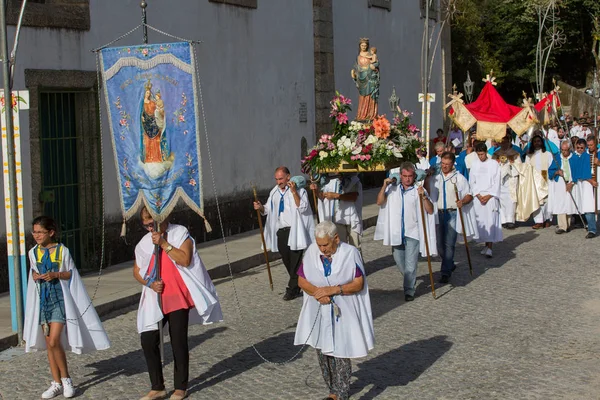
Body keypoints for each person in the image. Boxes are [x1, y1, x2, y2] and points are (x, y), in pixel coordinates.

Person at [133, 207, 223, 400]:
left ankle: (180, 386)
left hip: (176, 295)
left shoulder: (179, 232)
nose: (149, 227)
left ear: (162, 218)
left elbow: (185, 259)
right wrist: (149, 282)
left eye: (152, 223)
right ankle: (157, 386)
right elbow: (137, 269)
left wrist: (164, 244)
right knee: (148, 340)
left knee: (178, 341)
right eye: (145, 224)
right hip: (154, 297)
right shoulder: (143, 242)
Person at [24, 216, 110, 399]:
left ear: (51, 233)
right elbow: (32, 271)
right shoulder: (33, 252)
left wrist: (55, 274)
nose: (36, 235)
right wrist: (35, 276)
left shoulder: (62, 251)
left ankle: (66, 379)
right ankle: (55, 383)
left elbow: (70, 273)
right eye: (34, 232)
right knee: (49, 343)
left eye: (40, 232)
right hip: (42, 301)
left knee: (55, 340)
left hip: (59, 299)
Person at [294, 221, 374, 400]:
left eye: (325, 244)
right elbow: (302, 281)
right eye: (319, 244)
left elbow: (358, 283)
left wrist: (334, 290)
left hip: (343, 310)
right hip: (319, 309)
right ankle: (332, 390)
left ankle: (341, 394)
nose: (321, 248)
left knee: (341, 351)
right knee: (323, 351)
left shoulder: (350, 253)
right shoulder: (311, 252)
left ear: (336, 239)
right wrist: (318, 293)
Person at [374, 162, 436, 301]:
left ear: (414, 176)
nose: (408, 179)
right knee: (399, 262)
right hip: (397, 233)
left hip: (413, 232)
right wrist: (384, 185)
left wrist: (424, 197)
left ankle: (409, 291)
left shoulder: (418, 190)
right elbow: (379, 202)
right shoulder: (392, 189)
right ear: (400, 175)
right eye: (405, 176)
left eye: (410, 176)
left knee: (410, 264)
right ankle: (410, 279)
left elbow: (430, 210)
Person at [254, 166, 315, 300]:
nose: (278, 182)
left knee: (295, 261)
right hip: (281, 231)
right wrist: (260, 208)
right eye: (276, 179)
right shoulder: (274, 192)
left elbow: (302, 207)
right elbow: (268, 210)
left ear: (288, 177)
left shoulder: (300, 191)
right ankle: (302, 282)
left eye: (281, 179)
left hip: (295, 230)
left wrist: (294, 192)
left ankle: (292, 289)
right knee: (287, 261)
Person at [426, 152, 477, 283]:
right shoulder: (435, 177)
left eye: (447, 164)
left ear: (452, 164)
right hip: (438, 213)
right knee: (439, 245)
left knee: (449, 244)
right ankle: (449, 263)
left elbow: (469, 194)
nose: (444, 166)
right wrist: (427, 177)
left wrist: (463, 201)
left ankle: (445, 272)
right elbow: (427, 190)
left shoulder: (459, 178)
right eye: (443, 163)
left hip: (452, 213)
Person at [311, 173, 363, 249]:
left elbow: (353, 197)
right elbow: (322, 196)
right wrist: (315, 190)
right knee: (341, 246)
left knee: (355, 246)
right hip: (337, 217)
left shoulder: (353, 179)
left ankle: (356, 260)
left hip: (353, 217)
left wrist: (335, 195)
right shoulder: (328, 180)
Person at [469, 143, 502, 257]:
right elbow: (472, 181)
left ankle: (490, 246)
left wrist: (489, 195)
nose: (480, 157)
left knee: (490, 221)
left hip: (490, 196)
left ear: (486, 152)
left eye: (482, 154)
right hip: (479, 197)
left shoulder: (494, 164)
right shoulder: (474, 164)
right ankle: (485, 244)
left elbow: (497, 181)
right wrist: (477, 195)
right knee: (481, 222)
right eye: (478, 155)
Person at [492, 133, 522, 229]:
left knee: (511, 199)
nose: (504, 144)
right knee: (501, 198)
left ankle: (510, 220)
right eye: (502, 142)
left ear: (509, 142)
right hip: (500, 179)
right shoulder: (496, 154)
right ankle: (503, 219)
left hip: (510, 179)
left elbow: (519, 166)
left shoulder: (515, 153)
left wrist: (512, 163)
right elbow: (492, 166)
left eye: (505, 142)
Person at [525, 133, 554, 229]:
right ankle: (538, 221)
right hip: (534, 180)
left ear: (542, 142)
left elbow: (551, 167)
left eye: (538, 141)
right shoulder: (529, 155)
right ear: (532, 143)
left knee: (547, 200)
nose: (537, 143)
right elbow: (526, 168)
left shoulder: (548, 154)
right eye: (535, 142)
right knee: (536, 200)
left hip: (545, 178)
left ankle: (547, 219)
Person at [548, 140, 577, 234]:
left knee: (569, 202)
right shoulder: (557, 158)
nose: (563, 152)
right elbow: (550, 171)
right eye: (562, 150)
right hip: (560, 183)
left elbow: (577, 171)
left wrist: (572, 183)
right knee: (560, 203)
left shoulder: (574, 158)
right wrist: (557, 172)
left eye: (565, 150)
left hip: (571, 183)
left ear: (569, 149)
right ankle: (562, 226)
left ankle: (567, 224)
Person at [571, 139, 598, 238]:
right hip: (579, 183)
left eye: (582, 148)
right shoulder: (574, 156)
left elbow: (586, 170)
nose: (580, 150)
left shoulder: (588, 156)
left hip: (587, 184)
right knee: (582, 206)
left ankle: (592, 229)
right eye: (578, 148)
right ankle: (586, 224)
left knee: (589, 206)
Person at [351, 38, 379, 121]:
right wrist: (354, 72)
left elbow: (376, 63)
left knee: (371, 96)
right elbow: (356, 66)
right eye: (362, 45)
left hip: (370, 76)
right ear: (360, 46)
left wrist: (374, 67)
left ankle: (371, 115)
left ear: (367, 46)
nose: (363, 47)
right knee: (362, 97)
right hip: (361, 77)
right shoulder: (358, 56)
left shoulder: (371, 54)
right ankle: (362, 114)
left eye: (365, 45)